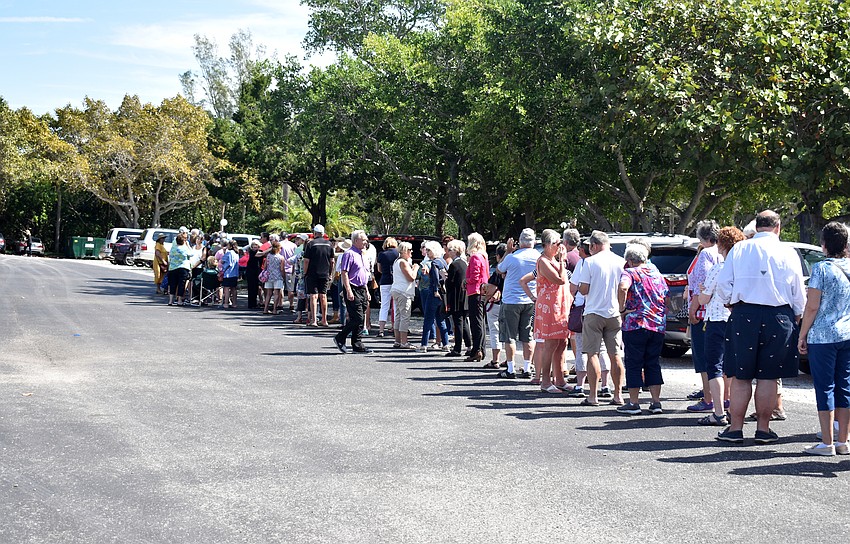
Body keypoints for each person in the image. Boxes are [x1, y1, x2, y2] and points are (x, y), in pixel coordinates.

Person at [715, 210, 806, 444]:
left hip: (744, 312)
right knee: (768, 376)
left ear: (756, 227)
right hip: (780, 315)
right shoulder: (788, 252)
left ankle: (735, 429)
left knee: (741, 375)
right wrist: (796, 316)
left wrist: (731, 304)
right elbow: (798, 290)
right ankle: (763, 430)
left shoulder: (740, 249)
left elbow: (723, 284)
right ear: (778, 228)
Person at [797, 222, 850, 456]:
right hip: (847, 333)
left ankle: (827, 442)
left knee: (825, 387)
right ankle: (843, 441)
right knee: (845, 386)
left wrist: (802, 334)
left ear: (824, 244)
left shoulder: (820, 269)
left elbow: (812, 306)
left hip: (823, 336)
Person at [695, 226, 745, 425]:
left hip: (716, 319)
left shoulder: (720, 267)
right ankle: (733, 407)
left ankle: (718, 412)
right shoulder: (743, 268)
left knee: (714, 367)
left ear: (722, 244)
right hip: (737, 320)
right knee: (732, 367)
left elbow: (704, 298)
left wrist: (701, 292)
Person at [575, 230, 627, 406]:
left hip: (593, 312)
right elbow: (624, 287)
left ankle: (593, 396)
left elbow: (583, 289)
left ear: (594, 245)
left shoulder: (589, 262)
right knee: (615, 355)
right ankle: (618, 395)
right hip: (614, 313)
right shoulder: (621, 262)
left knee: (592, 354)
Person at [616, 244, 668, 414]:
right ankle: (656, 402)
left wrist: (622, 309)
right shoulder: (655, 272)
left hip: (636, 324)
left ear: (630, 261)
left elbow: (623, 287)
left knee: (634, 362)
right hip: (657, 324)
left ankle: (633, 402)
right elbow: (666, 296)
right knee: (653, 362)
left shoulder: (630, 272)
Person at [529, 229, 572, 393]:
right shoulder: (543, 261)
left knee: (562, 343)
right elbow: (559, 280)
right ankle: (545, 381)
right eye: (556, 243)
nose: (559, 246)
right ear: (546, 245)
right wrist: (562, 261)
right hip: (549, 308)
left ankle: (559, 379)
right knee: (551, 343)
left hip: (561, 305)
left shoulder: (553, 260)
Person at [686, 220, 722, 413]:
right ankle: (722, 399)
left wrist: (692, 309)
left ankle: (708, 398)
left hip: (703, 312)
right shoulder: (723, 253)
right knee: (718, 359)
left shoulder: (706, 254)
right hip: (719, 312)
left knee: (703, 358)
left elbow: (702, 284)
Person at [496, 228, 538, 380]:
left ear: (520, 242)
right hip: (531, 299)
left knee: (510, 336)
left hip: (511, 300)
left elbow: (500, 269)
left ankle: (511, 368)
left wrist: (508, 251)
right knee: (528, 336)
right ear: (534, 241)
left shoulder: (512, 257)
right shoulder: (539, 258)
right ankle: (527, 367)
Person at [333, 230, 373, 354]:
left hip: (362, 288)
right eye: (363, 240)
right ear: (356, 241)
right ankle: (340, 337)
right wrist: (348, 290)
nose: (366, 242)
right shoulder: (349, 254)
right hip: (352, 287)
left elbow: (364, 274)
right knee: (357, 317)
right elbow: (344, 273)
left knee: (361, 318)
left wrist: (367, 290)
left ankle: (357, 343)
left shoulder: (363, 254)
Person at [418, 241, 451, 352]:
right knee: (441, 319)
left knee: (428, 319)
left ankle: (424, 345)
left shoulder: (435, 263)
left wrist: (436, 290)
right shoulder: (443, 262)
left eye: (429, 250)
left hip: (434, 292)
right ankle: (446, 344)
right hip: (443, 293)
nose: (427, 252)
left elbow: (436, 277)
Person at [303, 225, 335, 327]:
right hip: (325, 273)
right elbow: (332, 261)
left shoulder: (310, 244)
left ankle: (314, 320)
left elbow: (306, 261)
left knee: (313, 295)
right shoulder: (329, 244)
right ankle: (324, 320)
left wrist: (305, 272)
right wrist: (330, 273)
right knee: (323, 295)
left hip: (312, 273)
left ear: (315, 233)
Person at [465, 233, 490, 362]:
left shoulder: (475, 257)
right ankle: (481, 348)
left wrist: (466, 280)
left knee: (476, 322)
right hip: (482, 291)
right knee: (480, 321)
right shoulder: (484, 257)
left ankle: (476, 349)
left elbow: (475, 277)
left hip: (475, 291)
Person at [391, 242, 420, 349]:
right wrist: (416, 268)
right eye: (409, 250)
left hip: (397, 290)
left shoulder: (397, 261)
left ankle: (397, 340)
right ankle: (404, 341)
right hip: (404, 292)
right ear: (404, 251)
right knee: (405, 316)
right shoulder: (403, 262)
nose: (411, 252)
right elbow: (411, 277)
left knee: (398, 315)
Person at [482, 243, 506, 369]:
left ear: (497, 256)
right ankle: (509, 359)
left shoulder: (499, 270)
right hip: (511, 303)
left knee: (494, 330)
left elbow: (491, 288)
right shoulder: (514, 267)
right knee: (510, 333)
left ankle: (495, 360)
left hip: (496, 304)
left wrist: (485, 297)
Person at [445, 239, 471, 357]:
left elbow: (449, 283)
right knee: (464, 321)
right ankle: (469, 345)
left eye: (450, 250)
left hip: (456, 296)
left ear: (455, 251)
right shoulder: (465, 263)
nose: (448, 252)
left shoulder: (454, 264)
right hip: (465, 296)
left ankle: (457, 348)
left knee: (458, 322)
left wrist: (444, 279)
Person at [376, 237, 400, 337]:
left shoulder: (381, 254)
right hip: (395, 281)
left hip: (385, 280)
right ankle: (395, 328)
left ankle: (381, 330)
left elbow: (379, 269)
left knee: (384, 306)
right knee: (395, 306)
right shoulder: (397, 254)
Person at [166, 233, 192, 306]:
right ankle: (179, 300)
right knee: (181, 284)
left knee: (172, 284)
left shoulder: (173, 248)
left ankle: (170, 300)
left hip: (173, 267)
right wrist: (188, 245)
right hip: (183, 268)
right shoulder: (184, 248)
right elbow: (191, 254)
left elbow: (170, 256)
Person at [263, 241, 285, 315]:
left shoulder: (268, 256)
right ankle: (274, 309)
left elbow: (265, 266)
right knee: (276, 293)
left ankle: (265, 309)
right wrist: (283, 276)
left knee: (268, 293)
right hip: (278, 276)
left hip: (269, 276)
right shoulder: (281, 257)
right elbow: (282, 269)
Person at [219, 240, 240, 308]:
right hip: (235, 273)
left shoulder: (228, 253)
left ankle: (226, 303)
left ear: (230, 246)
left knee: (226, 288)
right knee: (234, 288)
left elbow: (222, 261)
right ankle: (234, 303)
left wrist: (224, 252)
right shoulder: (236, 253)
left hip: (228, 273)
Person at [246, 240, 262, 309]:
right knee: (251, 287)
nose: (255, 248)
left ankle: (254, 303)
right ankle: (251, 304)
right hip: (250, 271)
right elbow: (258, 255)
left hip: (257, 271)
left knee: (256, 287)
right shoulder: (251, 252)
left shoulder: (260, 252)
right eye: (253, 246)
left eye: (256, 246)